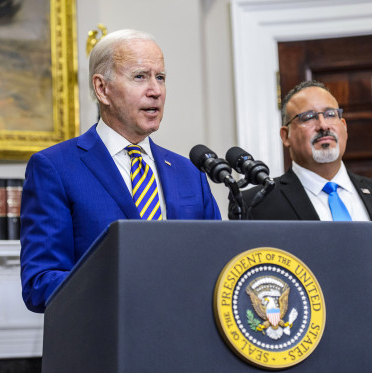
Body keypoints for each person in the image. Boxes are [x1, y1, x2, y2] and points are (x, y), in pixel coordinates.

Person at [233, 80, 372, 372]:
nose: (322, 125)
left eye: (330, 114)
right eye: (307, 117)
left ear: (343, 126)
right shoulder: (257, 205)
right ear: (286, 135)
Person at [20, 29, 221, 313]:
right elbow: (39, 283)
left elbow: (218, 264)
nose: (155, 90)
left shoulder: (190, 172)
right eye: (140, 76)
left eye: (160, 77)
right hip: (107, 346)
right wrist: (131, 287)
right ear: (102, 89)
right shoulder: (55, 168)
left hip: (185, 344)